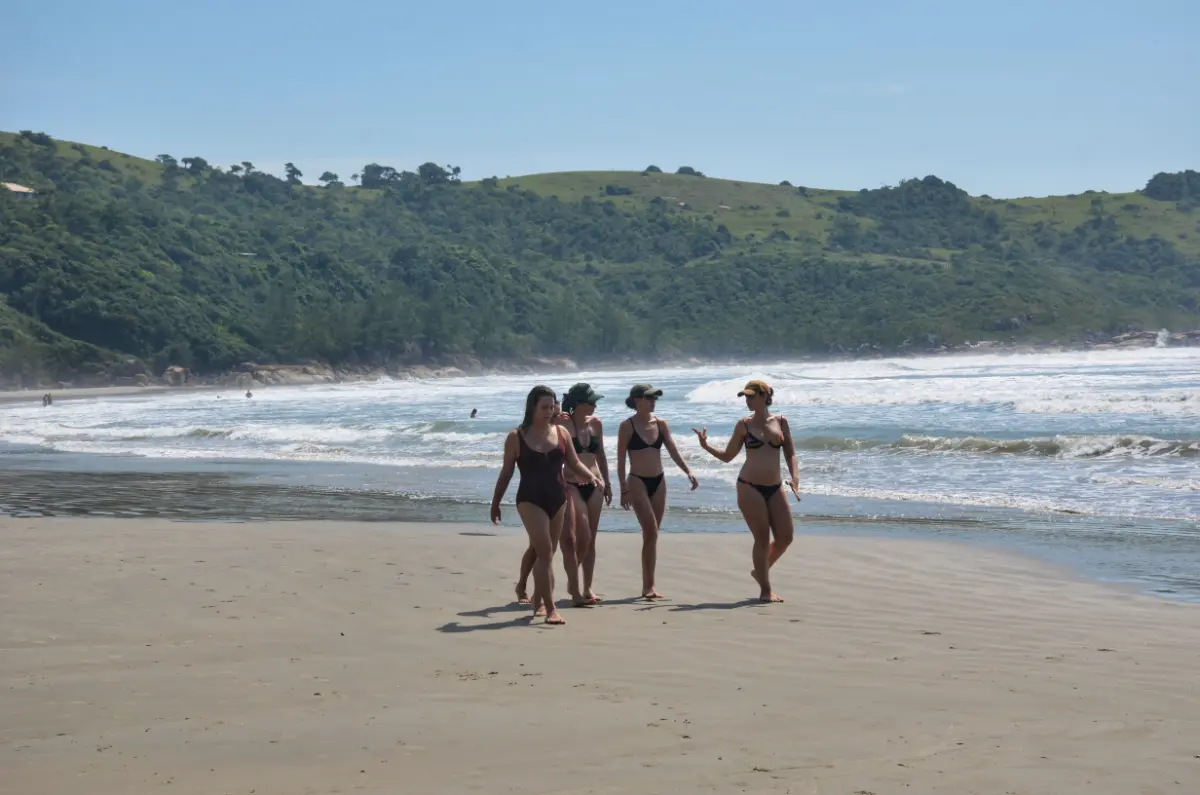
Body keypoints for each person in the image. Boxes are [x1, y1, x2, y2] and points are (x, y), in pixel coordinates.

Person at [491, 386, 600, 625]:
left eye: (552, 407)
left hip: (558, 498)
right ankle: (549, 608)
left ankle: (538, 599)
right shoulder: (516, 437)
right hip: (530, 500)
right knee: (544, 550)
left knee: (548, 554)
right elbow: (506, 473)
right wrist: (495, 502)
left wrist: (591, 477)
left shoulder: (561, 432)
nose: (549, 411)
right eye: (544, 407)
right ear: (532, 407)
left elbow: (573, 462)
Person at [692, 379, 800, 603]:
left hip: (776, 486)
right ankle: (765, 590)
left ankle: (760, 570)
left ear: (764, 396)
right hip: (749, 486)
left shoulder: (781, 421)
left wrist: (795, 478)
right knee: (761, 538)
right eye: (746, 397)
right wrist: (706, 446)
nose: (748, 400)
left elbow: (790, 453)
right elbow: (727, 456)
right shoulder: (744, 424)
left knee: (785, 536)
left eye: (751, 396)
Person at [617, 384, 699, 599]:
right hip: (636, 482)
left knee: (652, 536)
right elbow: (620, 460)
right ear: (637, 400)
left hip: (659, 481)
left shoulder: (661, 424)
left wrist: (688, 471)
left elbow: (673, 450)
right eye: (649, 398)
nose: (653, 401)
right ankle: (647, 586)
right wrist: (623, 489)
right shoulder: (627, 426)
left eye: (655, 398)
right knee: (651, 531)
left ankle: (649, 585)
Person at [558, 383, 612, 604]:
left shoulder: (596, 425)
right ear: (578, 403)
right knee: (583, 535)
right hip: (571, 484)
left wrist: (608, 482)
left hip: (595, 484)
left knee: (591, 540)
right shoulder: (563, 423)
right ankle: (573, 583)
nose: (595, 405)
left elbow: (601, 454)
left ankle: (587, 588)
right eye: (591, 401)